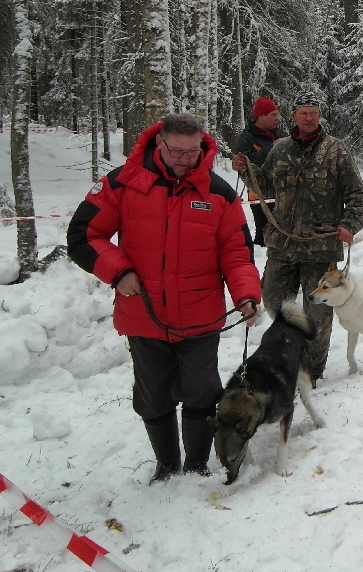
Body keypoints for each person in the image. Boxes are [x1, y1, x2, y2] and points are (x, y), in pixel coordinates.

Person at [67, 113, 261, 484]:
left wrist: (246, 295)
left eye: (193, 152)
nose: (186, 159)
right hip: (144, 314)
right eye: (177, 151)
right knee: (153, 396)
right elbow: (83, 235)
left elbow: (237, 254)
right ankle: (167, 465)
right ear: (160, 143)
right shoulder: (122, 183)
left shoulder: (219, 193)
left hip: (200, 317)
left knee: (202, 392)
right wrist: (119, 272)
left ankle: (197, 465)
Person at [232, 91, 363, 383]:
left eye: (314, 112)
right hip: (282, 245)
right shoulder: (280, 149)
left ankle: (312, 371)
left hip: (321, 247)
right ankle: (291, 348)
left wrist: (350, 224)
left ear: (320, 115)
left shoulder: (335, 150)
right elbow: (266, 185)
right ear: (293, 116)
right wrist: (247, 171)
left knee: (318, 314)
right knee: (273, 301)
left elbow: (357, 193)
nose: (309, 117)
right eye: (303, 112)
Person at [234, 96, 283, 246]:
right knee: (263, 235)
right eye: (273, 115)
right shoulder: (246, 137)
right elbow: (246, 163)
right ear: (261, 116)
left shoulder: (279, 133)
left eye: (277, 114)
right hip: (259, 193)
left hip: (282, 191)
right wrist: (272, 149)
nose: (277, 118)